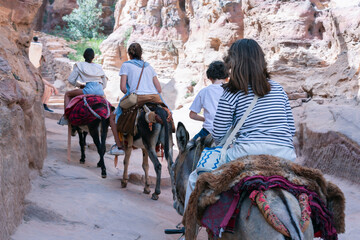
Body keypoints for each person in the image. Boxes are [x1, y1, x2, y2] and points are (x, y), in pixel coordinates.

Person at [184, 38, 297, 214]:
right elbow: (291, 129)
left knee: (194, 179)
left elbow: (220, 134)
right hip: (285, 153)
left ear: (233, 63)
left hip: (246, 153)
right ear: (261, 61)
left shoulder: (231, 92)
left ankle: (188, 229)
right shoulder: (279, 89)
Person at [108, 42, 169, 155]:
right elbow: (159, 89)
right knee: (168, 113)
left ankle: (119, 146)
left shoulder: (126, 65)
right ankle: (163, 145)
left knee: (112, 117)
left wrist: (131, 93)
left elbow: (122, 88)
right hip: (154, 97)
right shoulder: (149, 66)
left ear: (129, 54)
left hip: (137, 98)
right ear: (141, 54)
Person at [58, 48, 107, 125]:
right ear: (93, 57)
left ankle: (66, 117)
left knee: (67, 94)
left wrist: (80, 85)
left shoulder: (80, 65)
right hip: (100, 91)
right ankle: (108, 117)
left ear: (84, 56)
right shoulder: (98, 67)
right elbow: (104, 84)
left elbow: (71, 80)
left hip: (88, 90)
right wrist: (99, 88)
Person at [189, 61, 228, 141]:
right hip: (228, 133)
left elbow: (192, 115)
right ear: (227, 77)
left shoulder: (204, 91)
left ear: (209, 77)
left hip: (207, 132)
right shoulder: (231, 91)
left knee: (189, 147)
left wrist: (205, 119)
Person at [29, 36, 58, 112]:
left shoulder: (37, 66)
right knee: (47, 87)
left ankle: (44, 105)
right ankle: (42, 105)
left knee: (49, 88)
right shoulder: (33, 65)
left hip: (37, 80)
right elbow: (42, 80)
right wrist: (54, 87)